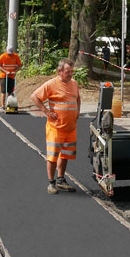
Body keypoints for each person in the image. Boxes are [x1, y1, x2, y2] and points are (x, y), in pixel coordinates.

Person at [31, 58, 81, 194]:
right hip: (56, 128)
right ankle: (51, 183)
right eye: (68, 72)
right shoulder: (51, 84)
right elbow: (34, 96)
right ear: (59, 71)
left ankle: (61, 180)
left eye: (72, 71)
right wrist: (46, 111)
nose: (71, 74)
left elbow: (77, 98)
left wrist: (78, 111)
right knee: (52, 157)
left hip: (70, 128)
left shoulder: (74, 84)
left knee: (65, 155)